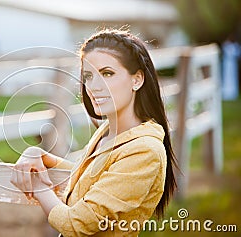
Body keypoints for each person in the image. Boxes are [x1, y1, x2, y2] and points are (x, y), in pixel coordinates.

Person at [10, 29, 177, 236]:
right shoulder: (109, 131)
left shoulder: (145, 151)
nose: (93, 86)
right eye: (88, 76)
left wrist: (38, 185)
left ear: (137, 80)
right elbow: (93, 179)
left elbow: (76, 224)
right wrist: (41, 157)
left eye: (107, 73)